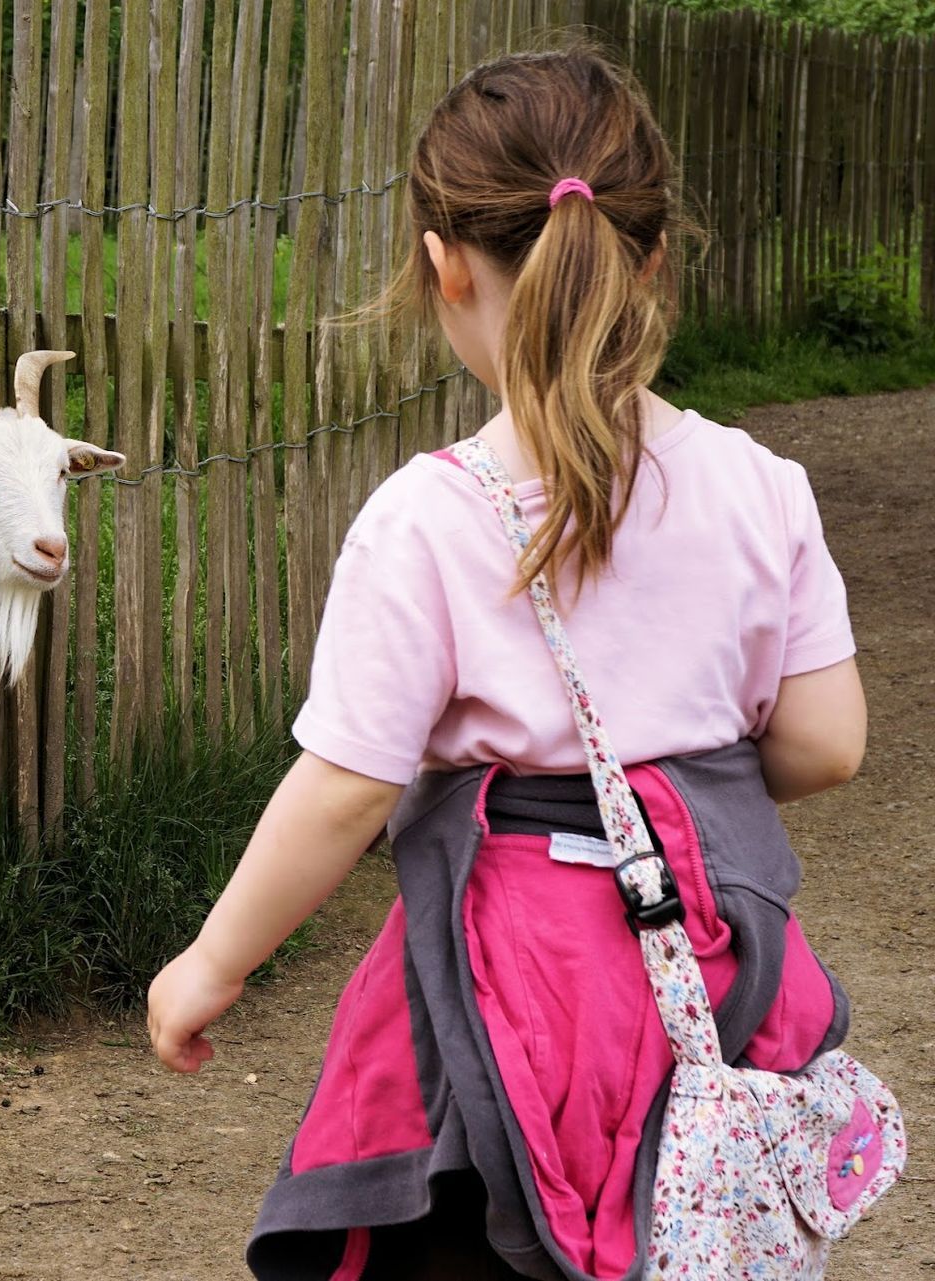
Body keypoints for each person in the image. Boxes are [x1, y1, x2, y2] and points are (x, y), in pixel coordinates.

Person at [146, 47, 869, 1281]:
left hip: (506, 994)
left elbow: (346, 789)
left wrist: (210, 964)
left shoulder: (429, 518)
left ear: (440, 265)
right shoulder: (764, 489)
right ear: (652, 258)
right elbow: (826, 744)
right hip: (712, 972)